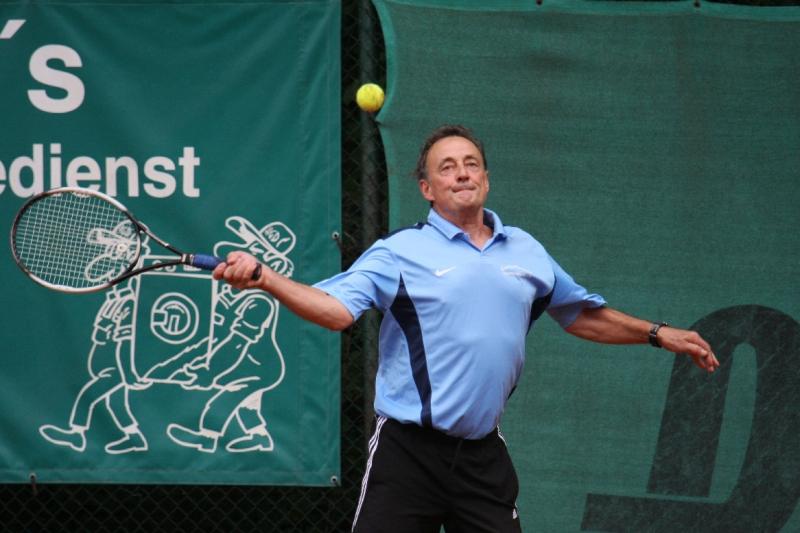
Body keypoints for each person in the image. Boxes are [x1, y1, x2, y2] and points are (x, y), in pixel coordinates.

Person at [212, 124, 719, 533]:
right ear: (427, 189)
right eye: (447, 167)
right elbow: (335, 310)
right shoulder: (398, 253)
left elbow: (580, 314)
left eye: (471, 163)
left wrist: (657, 333)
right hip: (407, 454)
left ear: (486, 180)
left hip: (482, 457)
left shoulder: (526, 250)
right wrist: (265, 278)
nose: (461, 173)